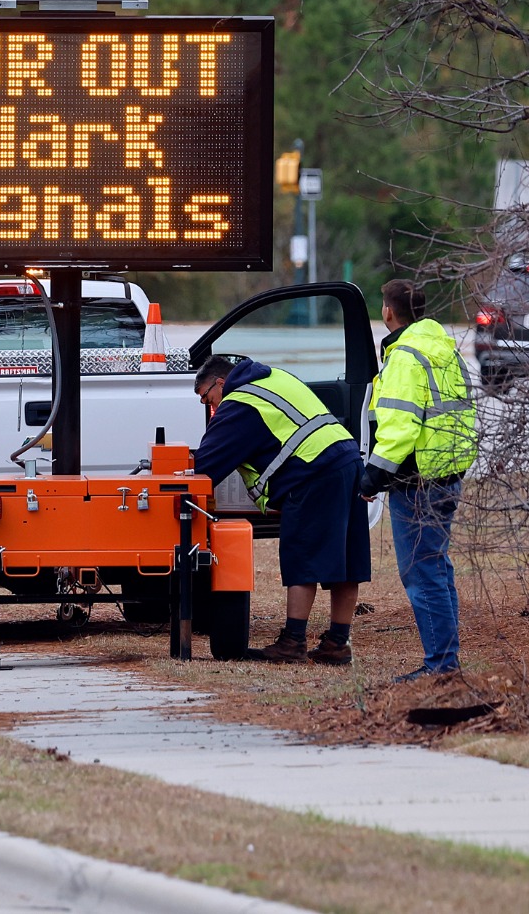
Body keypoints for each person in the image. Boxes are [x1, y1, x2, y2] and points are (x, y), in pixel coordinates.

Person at [191, 354, 370, 663]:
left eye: (207, 398)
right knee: (346, 558)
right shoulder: (273, 377)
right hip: (348, 460)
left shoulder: (240, 403)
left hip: (314, 473)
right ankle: (338, 643)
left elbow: (205, 466)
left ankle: (293, 642)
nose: (211, 407)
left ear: (221, 383)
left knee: (302, 556)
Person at [361, 279, 477, 682]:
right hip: (447, 474)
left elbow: (400, 428)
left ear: (388, 312)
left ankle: (441, 666)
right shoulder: (443, 348)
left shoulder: (406, 357)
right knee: (437, 567)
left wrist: (371, 476)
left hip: (417, 481)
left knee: (422, 572)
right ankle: (446, 659)